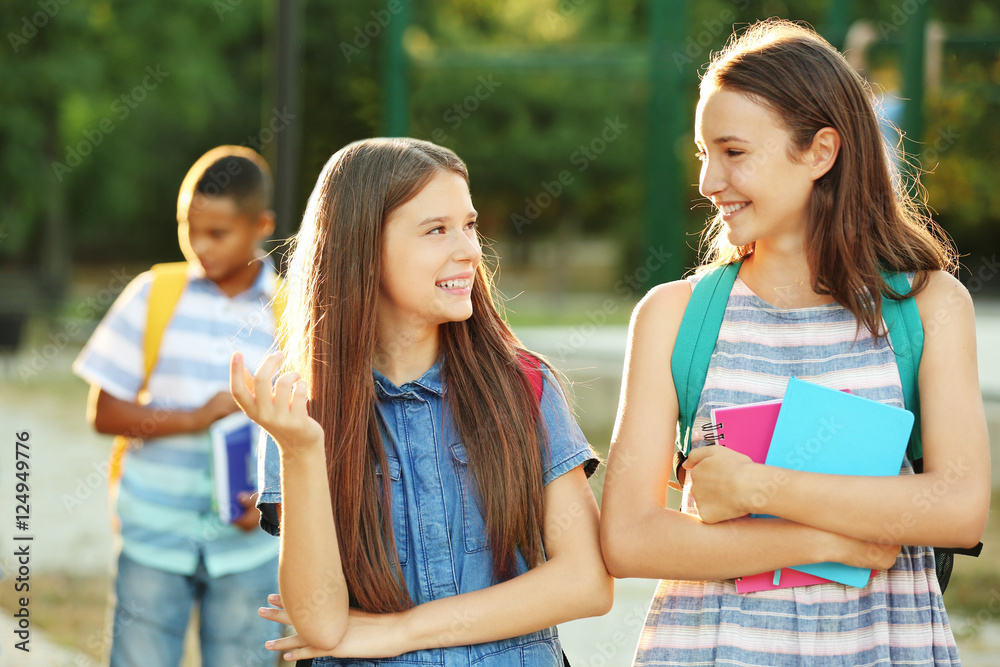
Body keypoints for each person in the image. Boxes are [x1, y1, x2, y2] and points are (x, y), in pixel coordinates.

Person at [600, 19, 989, 666]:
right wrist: (826, 541)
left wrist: (757, 489)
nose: (707, 181)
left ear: (820, 152)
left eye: (733, 151)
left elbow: (958, 507)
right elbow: (628, 536)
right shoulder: (674, 315)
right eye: (703, 153)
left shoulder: (928, 306)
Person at [230, 137, 613, 664]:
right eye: (436, 230)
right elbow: (320, 623)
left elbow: (585, 581)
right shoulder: (301, 412)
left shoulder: (526, 386)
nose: (470, 250)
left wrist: (401, 631)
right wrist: (299, 451)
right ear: (361, 248)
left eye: (470, 226)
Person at [74, 145, 282, 666]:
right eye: (188, 228)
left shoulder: (293, 312)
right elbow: (104, 412)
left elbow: (313, 432)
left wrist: (271, 503)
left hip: (249, 552)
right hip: (153, 539)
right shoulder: (153, 294)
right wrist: (193, 418)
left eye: (217, 233)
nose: (199, 246)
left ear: (261, 225)